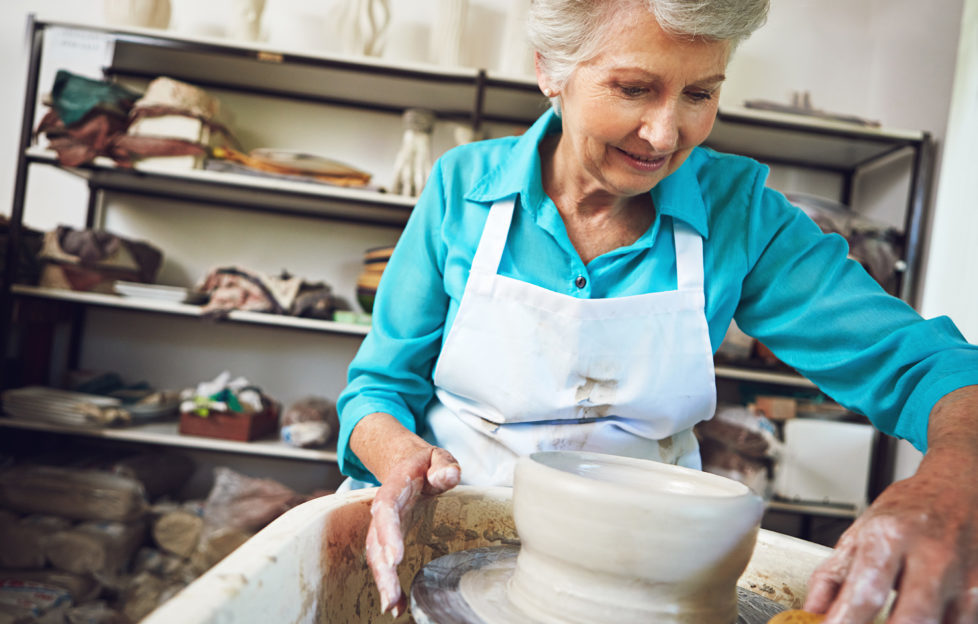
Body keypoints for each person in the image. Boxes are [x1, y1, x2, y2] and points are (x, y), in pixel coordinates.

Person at [335, 0, 978, 621]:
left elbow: (924, 366)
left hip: (642, 582)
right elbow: (375, 388)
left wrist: (949, 486)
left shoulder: (740, 214)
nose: (667, 135)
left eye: (699, 94)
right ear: (550, 69)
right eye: (635, 88)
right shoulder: (461, 189)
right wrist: (397, 456)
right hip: (444, 545)